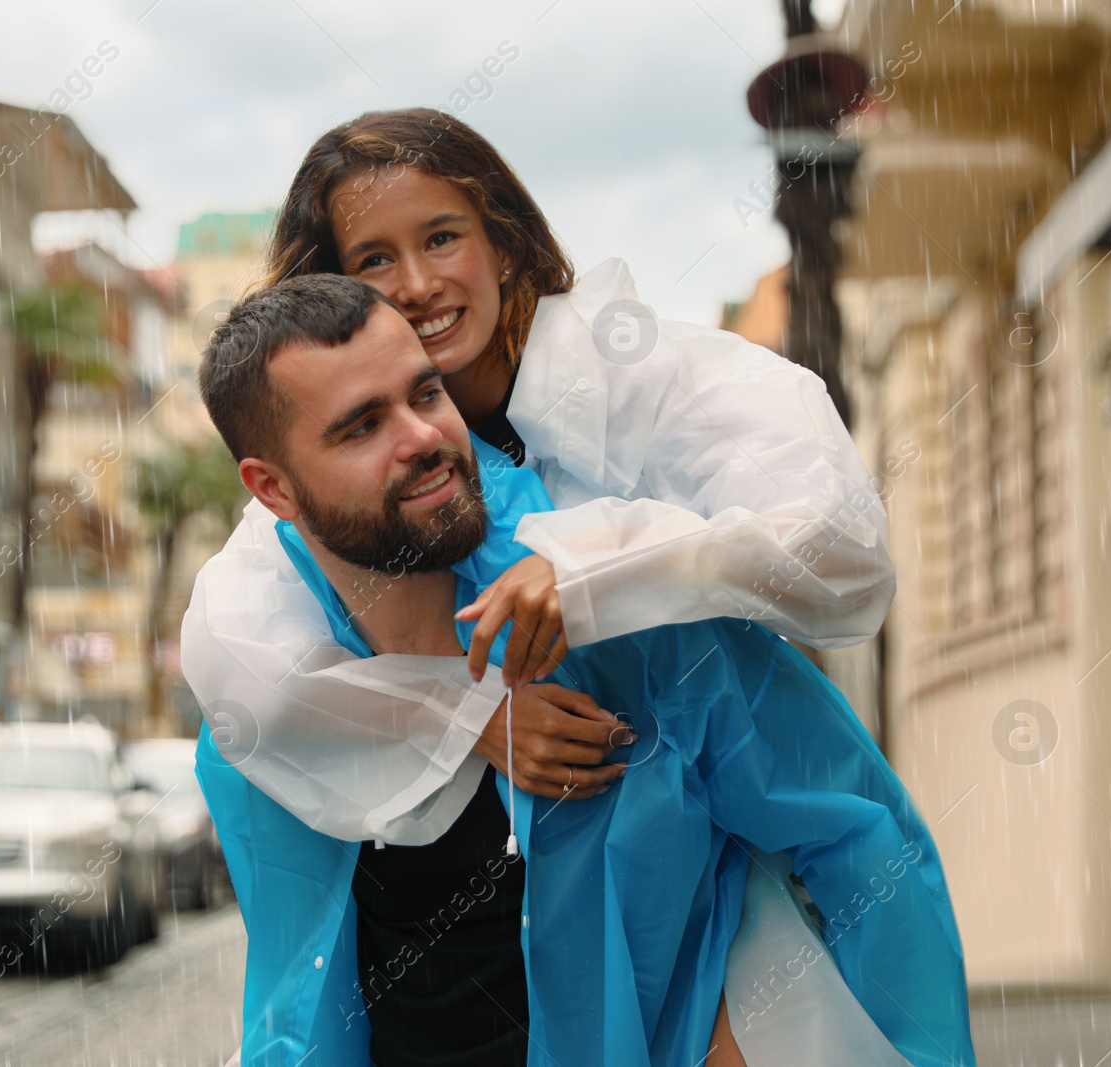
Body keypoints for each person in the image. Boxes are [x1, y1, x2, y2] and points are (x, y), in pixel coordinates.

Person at [191, 274, 973, 1067]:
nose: (422, 435)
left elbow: (860, 828)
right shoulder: (271, 714)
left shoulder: (613, 614)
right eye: (361, 425)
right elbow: (298, 984)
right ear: (272, 488)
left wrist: (878, 1038)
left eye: (425, 393)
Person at [181, 108, 894, 848]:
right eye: (375, 260)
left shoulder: (651, 376)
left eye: (442, 237)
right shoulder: (329, 471)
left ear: (504, 241)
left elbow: (842, 551)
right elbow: (237, 661)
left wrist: (592, 571)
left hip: (767, 847)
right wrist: (468, 718)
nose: (419, 285)